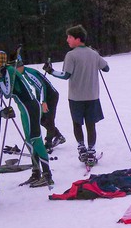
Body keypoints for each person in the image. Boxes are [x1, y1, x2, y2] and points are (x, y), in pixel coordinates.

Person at [43, 25, 109, 166]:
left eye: (70, 37)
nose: (67, 40)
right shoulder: (93, 53)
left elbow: (66, 75)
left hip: (76, 97)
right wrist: (95, 55)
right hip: (92, 96)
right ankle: (91, 151)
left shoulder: (71, 55)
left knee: (77, 123)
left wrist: (50, 71)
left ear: (78, 39)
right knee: (91, 124)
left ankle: (82, 149)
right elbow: (106, 68)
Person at [0, 54, 55, 187]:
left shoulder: (9, 71)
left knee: (36, 139)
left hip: (30, 107)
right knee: (28, 140)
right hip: (24, 109)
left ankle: (47, 175)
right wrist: (0, 78)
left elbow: (7, 93)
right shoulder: (6, 71)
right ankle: (36, 173)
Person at [17, 58, 66, 151]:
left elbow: (42, 87)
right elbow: (37, 87)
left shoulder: (29, 73)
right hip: (45, 97)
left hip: (51, 96)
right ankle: (58, 136)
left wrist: (43, 102)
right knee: (41, 119)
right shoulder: (25, 73)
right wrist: (38, 100)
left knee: (49, 119)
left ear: (19, 67)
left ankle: (48, 143)